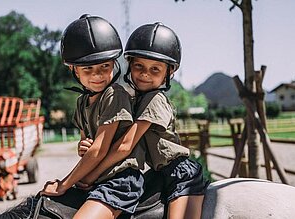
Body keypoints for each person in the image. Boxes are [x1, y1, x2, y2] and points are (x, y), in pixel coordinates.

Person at [79, 22, 210, 219]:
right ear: (129, 65)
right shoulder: (133, 100)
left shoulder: (155, 100)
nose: (145, 74)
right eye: (139, 66)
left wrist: (90, 175)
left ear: (170, 72)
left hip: (181, 175)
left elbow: (125, 145)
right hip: (157, 174)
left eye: (155, 69)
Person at [40, 14, 146, 219]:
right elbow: (87, 146)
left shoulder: (115, 94)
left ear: (113, 64)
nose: (97, 75)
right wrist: (83, 147)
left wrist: (64, 184)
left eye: (104, 67)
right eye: (88, 68)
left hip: (121, 180)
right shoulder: (81, 102)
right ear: (74, 70)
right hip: (97, 177)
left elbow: (99, 149)